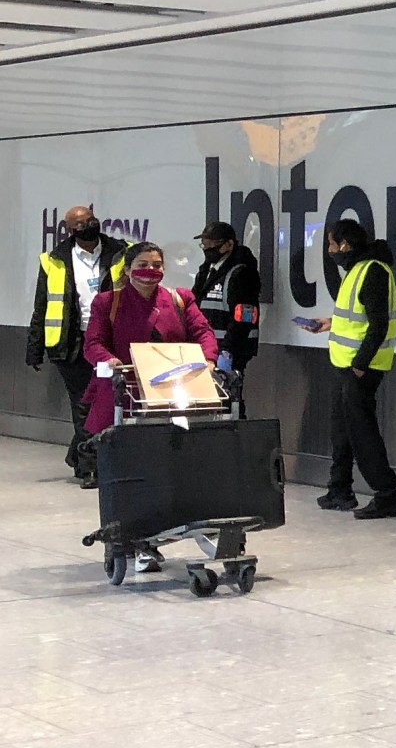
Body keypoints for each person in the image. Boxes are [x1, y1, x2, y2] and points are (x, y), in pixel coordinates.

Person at [80, 244, 217, 555]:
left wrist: (208, 359)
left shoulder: (180, 300)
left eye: (157, 264)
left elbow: (203, 333)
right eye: (142, 264)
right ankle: (132, 537)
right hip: (125, 397)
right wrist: (110, 361)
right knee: (130, 471)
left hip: (172, 395)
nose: (150, 270)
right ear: (127, 270)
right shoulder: (107, 302)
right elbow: (93, 344)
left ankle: (171, 527)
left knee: (174, 465)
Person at [291, 219, 396, 519]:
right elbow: (359, 316)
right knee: (341, 430)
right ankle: (339, 488)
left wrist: (359, 365)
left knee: (361, 432)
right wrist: (329, 323)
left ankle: (388, 494)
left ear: (345, 244)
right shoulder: (358, 269)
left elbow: (378, 324)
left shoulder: (373, 270)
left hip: (361, 367)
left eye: (331, 244)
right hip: (347, 365)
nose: (329, 251)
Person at [23, 205, 129, 484]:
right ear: (70, 230)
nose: (89, 225)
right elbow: (42, 306)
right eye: (81, 223)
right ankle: (90, 467)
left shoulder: (121, 251)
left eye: (91, 219)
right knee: (83, 403)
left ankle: (79, 455)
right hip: (70, 342)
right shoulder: (54, 260)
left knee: (105, 401)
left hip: (109, 340)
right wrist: (34, 348)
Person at [192, 221, 261, 396]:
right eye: (204, 244)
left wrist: (228, 350)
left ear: (228, 245)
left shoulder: (241, 273)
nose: (206, 249)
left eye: (211, 245)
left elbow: (245, 315)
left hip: (231, 348)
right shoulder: (208, 270)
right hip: (210, 346)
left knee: (229, 398)